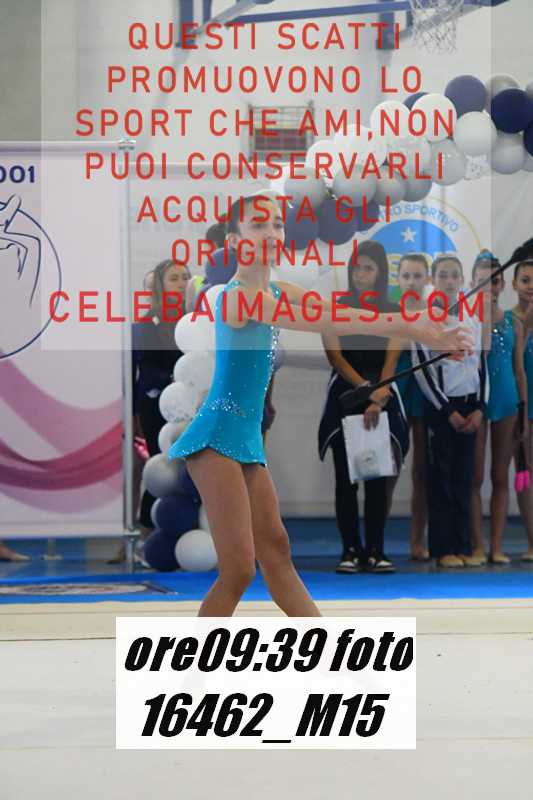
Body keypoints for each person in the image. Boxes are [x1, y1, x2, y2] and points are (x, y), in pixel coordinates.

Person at [168, 195, 472, 617]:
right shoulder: (237, 299)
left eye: (277, 224)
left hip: (244, 441)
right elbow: (325, 321)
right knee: (238, 571)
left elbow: (337, 312)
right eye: (258, 225)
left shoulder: (278, 290)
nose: (272, 232)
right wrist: (414, 327)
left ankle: (322, 645)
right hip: (216, 438)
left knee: (276, 551)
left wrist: (421, 325)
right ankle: (197, 657)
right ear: (236, 241)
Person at [318, 241, 409, 574]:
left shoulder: (394, 310)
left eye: (368, 268)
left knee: (376, 477)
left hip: (382, 391)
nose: (361, 275)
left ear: (380, 272)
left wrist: (378, 395)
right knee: (346, 478)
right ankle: (349, 549)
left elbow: (392, 358)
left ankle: (376, 550)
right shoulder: (334, 307)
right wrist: (363, 390)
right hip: (346, 393)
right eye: (356, 268)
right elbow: (335, 357)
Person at [109, 259, 190, 565]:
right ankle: (142, 537)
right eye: (174, 278)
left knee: (189, 473)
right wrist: (132, 417)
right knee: (161, 469)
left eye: (185, 277)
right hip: (154, 409)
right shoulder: (143, 326)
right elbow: (132, 375)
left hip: (189, 408)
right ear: (160, 285)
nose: (181, 283)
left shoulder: (196, 323)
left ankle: (184, 537)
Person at [412, 255, 488, 568]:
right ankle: (443, 549)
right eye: (443, 275)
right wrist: (446, 410)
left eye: (454, 275)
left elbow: (481, 363)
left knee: (463, 478)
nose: (449, 281)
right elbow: (422, 370)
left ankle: (464, 545)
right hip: (441, 407)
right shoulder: (424, 319)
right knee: (440, 478)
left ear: (462, 280)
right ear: (433, 280)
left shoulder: (473, 317)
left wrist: (480, 407)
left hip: (470, 406)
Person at [471, 252, 527, 565]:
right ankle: (477, 545)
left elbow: (519, 371)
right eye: (482, 281)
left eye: (493, 281)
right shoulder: (468, 320)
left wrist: (523, 411)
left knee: (501, 476)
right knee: (476, 477)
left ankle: (496, 545)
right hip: (479, 401)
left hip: (506, 400)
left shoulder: (513, 323)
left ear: (502, 284)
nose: (488, 287)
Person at [393, 254, 431, 561]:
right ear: (397, 280)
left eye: (417, 276)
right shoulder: (390, 314)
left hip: (426, 392)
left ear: (427, 280)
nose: (411, 282)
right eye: (406, 276)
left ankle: (417, 539)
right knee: (389, 468)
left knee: (422, 471)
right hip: (397, 390)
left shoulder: (433, 314)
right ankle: (377, 541)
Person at [511, 259, 533, 561]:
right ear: (514, 284)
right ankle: (531, 541)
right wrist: (527, 325)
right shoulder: (509, 320)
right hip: (523, 405)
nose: (531, 286)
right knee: (526, 472)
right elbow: (514, 365)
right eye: (526, 280)